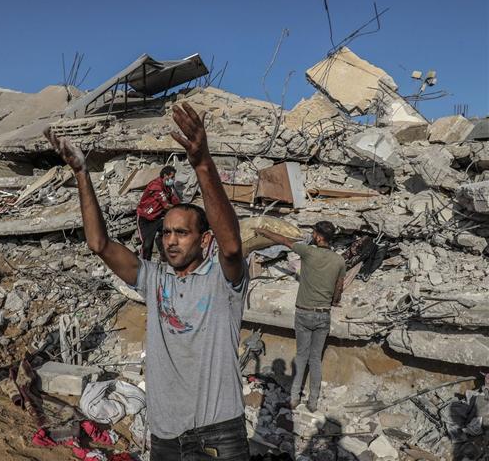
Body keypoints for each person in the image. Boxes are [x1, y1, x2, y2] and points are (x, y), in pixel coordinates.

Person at [44, 102, 250, 460]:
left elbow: (231, 247)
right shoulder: (155, 279)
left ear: (205, 240)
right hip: (165, 434)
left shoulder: (222, 280)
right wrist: (81, 174)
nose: (170, 241)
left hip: (218, 434)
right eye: (166, 232)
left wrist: (202, 163)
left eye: (182, 233)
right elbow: (99, 244)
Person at [254, 222, 345, 412]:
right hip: (323, 315)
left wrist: (263, 231)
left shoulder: (308, 252)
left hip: (304, 313)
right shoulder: (339, 261)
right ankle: (313, 402)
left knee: (302, 356)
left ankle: (294, 398)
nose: (312, 235)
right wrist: (334, 300)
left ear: (319, 237)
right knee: (315, 359)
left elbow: (283, 240)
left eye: (314, 233)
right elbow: (339, 287)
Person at [136, 165, 180, 260]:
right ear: (165, 175)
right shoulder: (155, 186)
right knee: (147, 245)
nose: (173, 179)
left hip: (158, 218)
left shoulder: (168, 187)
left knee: (172, 230)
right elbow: (166, 205)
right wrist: (179, 209)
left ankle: (166, 256)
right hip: (145, 218)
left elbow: (174, 200)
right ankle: (144, 264)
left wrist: (181, 207)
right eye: (172, 177)